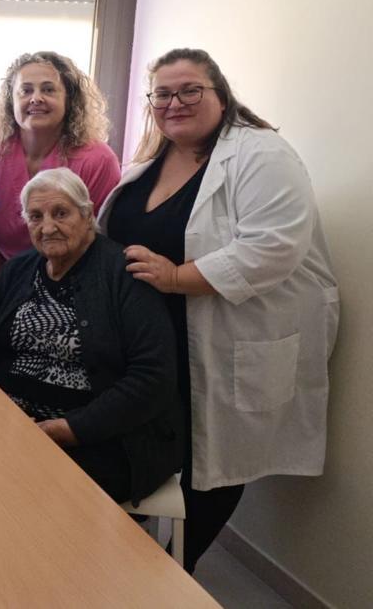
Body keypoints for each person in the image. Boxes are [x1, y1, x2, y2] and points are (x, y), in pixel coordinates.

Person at [99, 48, 339, 573]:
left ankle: (164, 581)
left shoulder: (261, 154)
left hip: (226, 332)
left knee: (215, 466)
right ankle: (123, 568)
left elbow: (272, 247)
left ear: (221, 96)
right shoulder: (151, 159)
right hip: (158, 340)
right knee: (149, 452)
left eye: (190, 90)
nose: (175, 102)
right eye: (162, 94)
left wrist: (175, 277)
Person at [0, 169, 182, 505]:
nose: (47, 227)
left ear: (88, 214)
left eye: (60, 213)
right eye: (35, 216)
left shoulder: (124, 274)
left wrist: (69, 429)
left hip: (103, 440)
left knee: (22, 492)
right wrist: (0, 411)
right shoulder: (18, 270)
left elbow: (153, 376)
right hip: (14, 428)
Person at [0, 51, 120, 279]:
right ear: (11, 100)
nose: (36, 98)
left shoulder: (97, 160)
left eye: (48, 89)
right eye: (26, 90)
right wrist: (8, 286)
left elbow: (100, 240)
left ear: (69, 99)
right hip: (8, 278)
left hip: (77, 282)